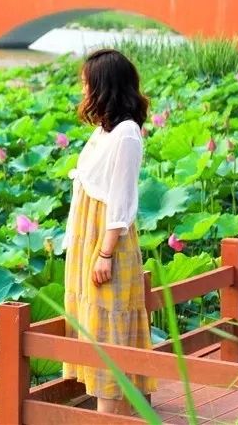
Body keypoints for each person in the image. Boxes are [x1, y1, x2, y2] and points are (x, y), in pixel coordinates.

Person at [62, 48, 156, 414]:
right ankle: (133, 414)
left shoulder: (127, 134)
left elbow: (121, 199)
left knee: (111, 331)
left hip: (107, 241)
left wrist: (105, 253)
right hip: (90, 237)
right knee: (96, 326)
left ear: (104, 86)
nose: (83, 91)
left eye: (87, 84)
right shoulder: (105, 130)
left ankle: (112, 417)